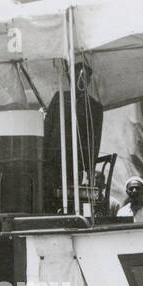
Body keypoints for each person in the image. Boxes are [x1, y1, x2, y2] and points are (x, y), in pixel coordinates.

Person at [42, 62, 104, 212]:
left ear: (88, 81)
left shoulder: (94, 107)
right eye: (76, 76)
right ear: (70, 78)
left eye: (84, 78)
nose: (79, 80)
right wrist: (43, 156)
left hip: (75, 162)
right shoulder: (59, 98)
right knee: (47, 193)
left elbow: (95, 140)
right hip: (53, 158)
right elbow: (47, 128)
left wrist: (90, 168)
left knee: (69, 196)